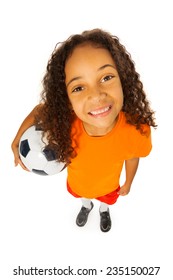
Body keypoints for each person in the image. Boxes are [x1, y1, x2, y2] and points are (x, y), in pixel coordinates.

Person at [11, 28, 157, 232]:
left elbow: (133, 156)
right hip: (78, 184)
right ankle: (86, 207)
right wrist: (17, 138)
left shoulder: (136, 130)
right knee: (84, 198)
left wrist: (128, 182)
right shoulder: (67, 122)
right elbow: (40, 110)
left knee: (106, 201)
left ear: (123, 79)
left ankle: (103, 211)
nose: (96, 95)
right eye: (78, 88)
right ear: (67, 100)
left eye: (106, 77)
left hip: (109, 187)